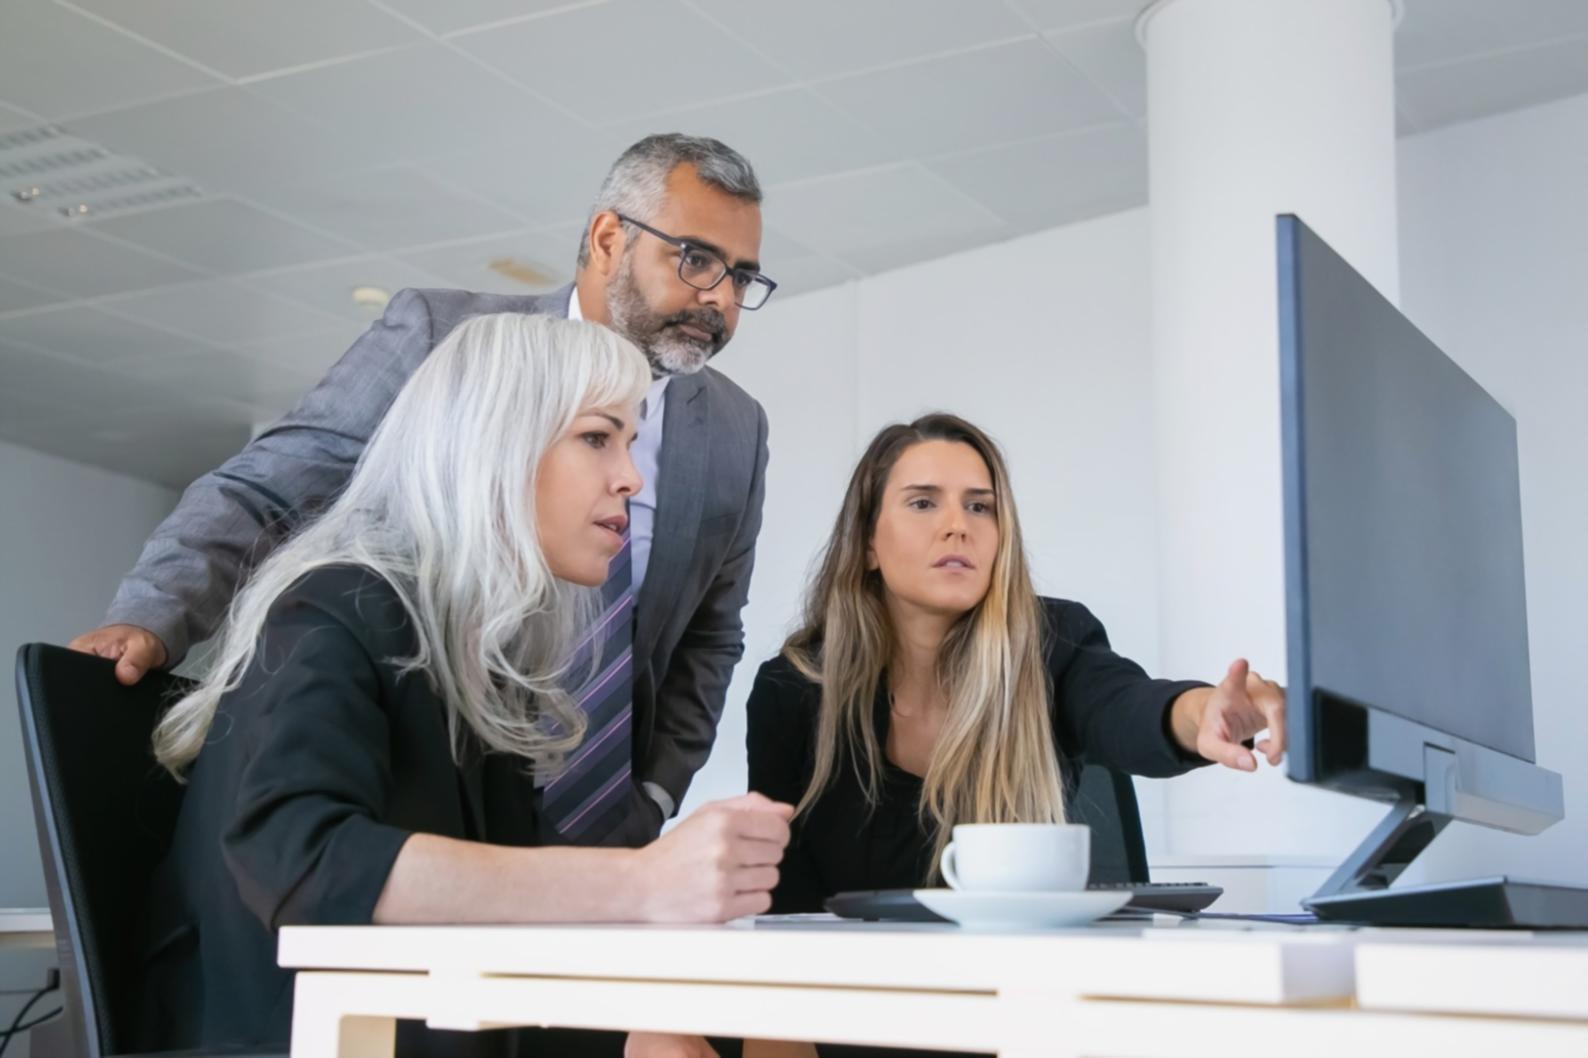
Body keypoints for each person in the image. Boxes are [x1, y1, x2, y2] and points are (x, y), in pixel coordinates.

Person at [71, 133, 779, 848]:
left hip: (595, 825)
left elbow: (708, 637)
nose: (719, 298)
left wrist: (653, 798)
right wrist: (150, 616)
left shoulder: (734, 430)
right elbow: (267, 492)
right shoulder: (448, 340)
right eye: (695, 259)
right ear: (606, 239)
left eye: (742, 278)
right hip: (413, 793)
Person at [139, 313, 792, 1058]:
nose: (632, 476)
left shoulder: (480, 660)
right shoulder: (334, 607)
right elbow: (304, 865)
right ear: (499, 442)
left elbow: (511, 901)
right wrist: (641, 882)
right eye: (597, 437)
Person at [742, 414, 1285, 1058]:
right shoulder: (794, 688)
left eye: (981, 506)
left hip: (1027, 1026)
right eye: (923, 503)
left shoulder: (1053, 644)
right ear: (866, 542)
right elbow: (781, 913)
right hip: (857, 1030)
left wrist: (1206, 716)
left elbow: (1129, 706)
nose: (958, 525)